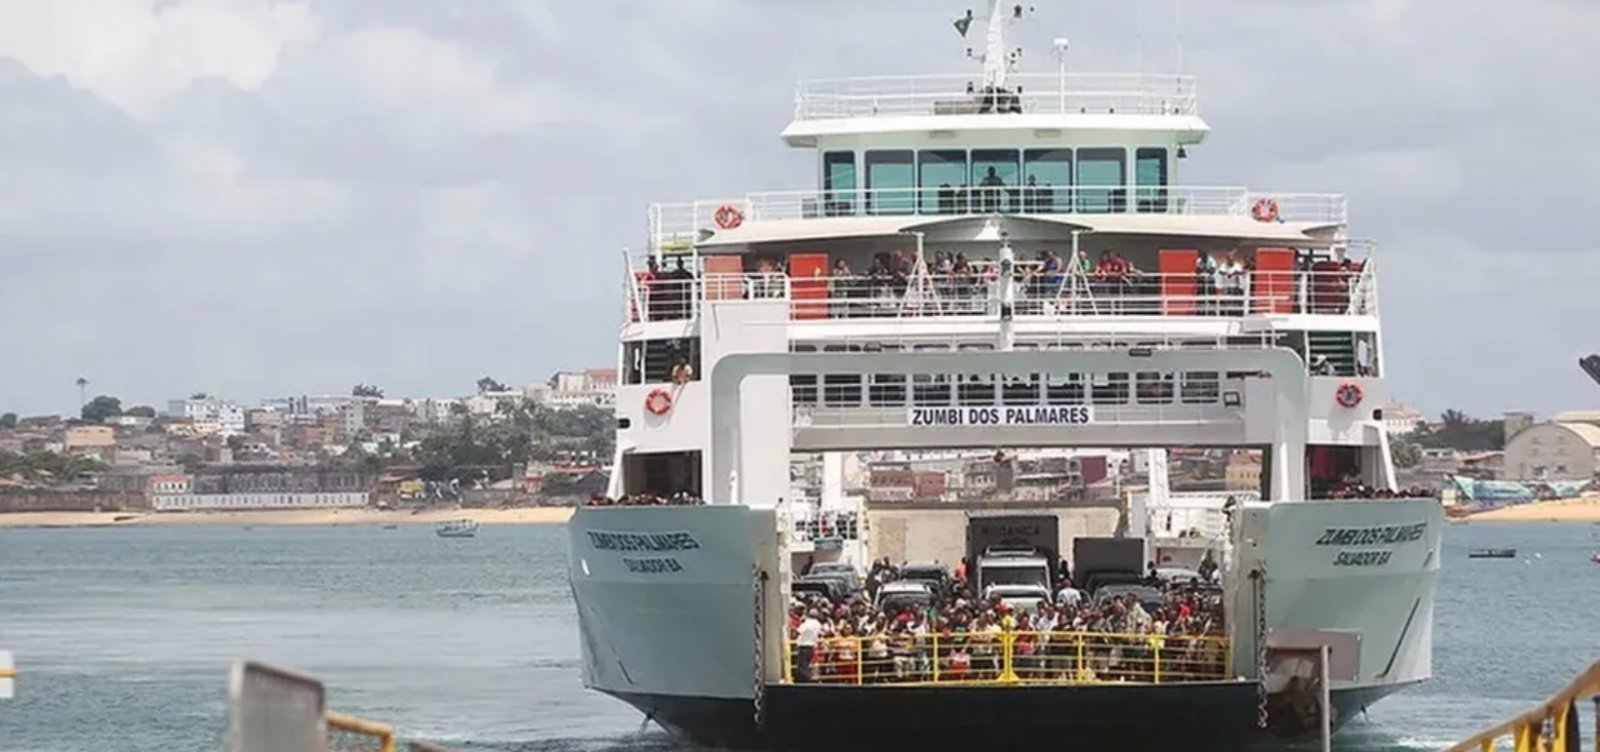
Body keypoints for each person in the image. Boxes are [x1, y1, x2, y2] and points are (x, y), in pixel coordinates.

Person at [794, 609, 824, 682]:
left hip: (804, 645)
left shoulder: (806, 623)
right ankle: (807, 678)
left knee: (802, 664)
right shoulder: (818, 624)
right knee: (807, 663)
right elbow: (820, 633)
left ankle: (807, 679)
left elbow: (798, 631)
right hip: (812, 646)